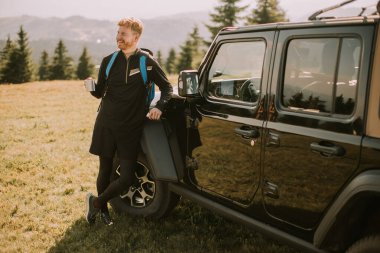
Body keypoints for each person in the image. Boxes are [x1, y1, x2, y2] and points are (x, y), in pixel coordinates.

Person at [85, 17, 173, 226]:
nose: (119, 38)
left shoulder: (146, 62)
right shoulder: (109, 61)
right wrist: (90, 87)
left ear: (136, 36)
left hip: (131, 127)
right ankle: (103, 212)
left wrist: (159, 107)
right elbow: (99, 93)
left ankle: (95, 203)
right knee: (104, 171)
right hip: (106, 123)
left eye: (123, 34)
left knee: (125, 178)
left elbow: (167, 88)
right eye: (118, 34)